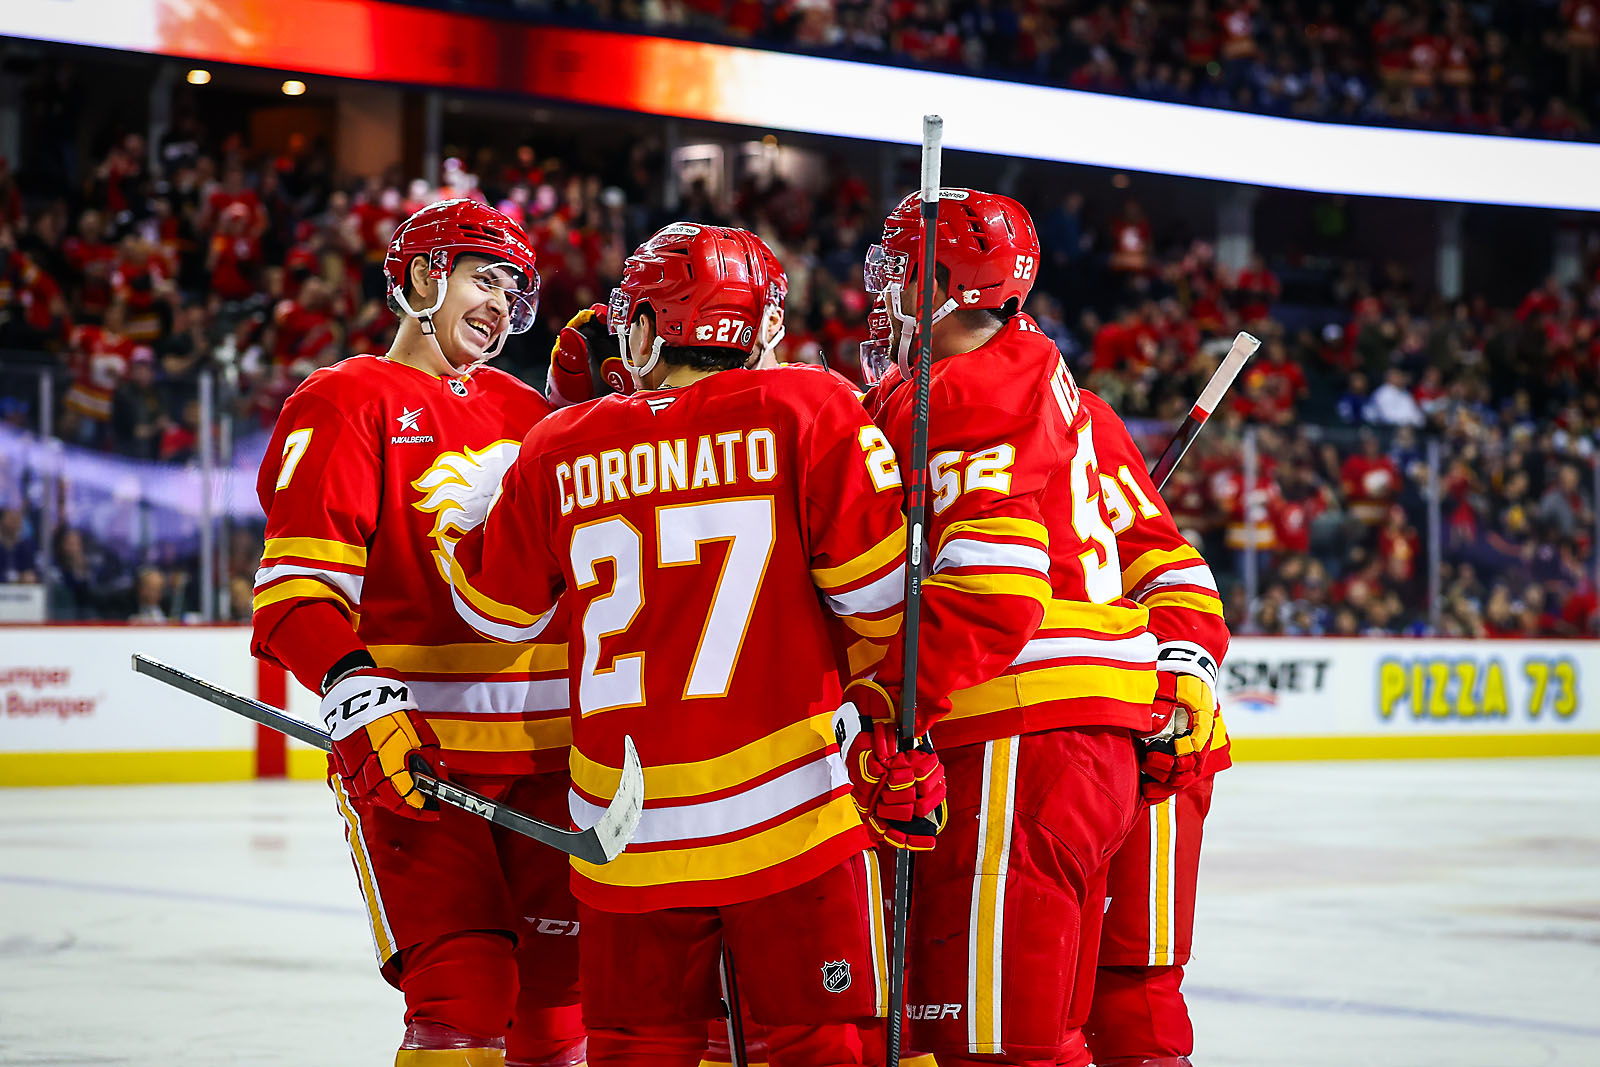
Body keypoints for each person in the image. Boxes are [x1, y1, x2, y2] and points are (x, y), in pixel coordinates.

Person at [446, 222, 912, 1067]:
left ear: (651, 329)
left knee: (636, 1048)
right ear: (761, 325)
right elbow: (882, 602)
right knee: (823, 1046)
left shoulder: (561, 442)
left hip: (626, 829)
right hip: (793, 812)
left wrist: (482, 499)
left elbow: (494, 611)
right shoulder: (811, 405)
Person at [250, 198, 582, 1067]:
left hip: (553, 760)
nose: (501, 304)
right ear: (423, 276)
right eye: (484, 277)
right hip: (419, 760)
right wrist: (357, 693)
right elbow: (295, 597)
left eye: (513, 286)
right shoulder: (344, 399)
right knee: (464, 991)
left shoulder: (531, 412)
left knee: (559, 1010)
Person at [854, 189, 1173, 1067]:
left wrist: (883, 702)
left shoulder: (962, 391)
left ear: (947, 287)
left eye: (901, 273)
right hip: (1086, 740)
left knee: (988, 1045)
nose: (885, 294)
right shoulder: (1039, 372)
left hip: (1019, 734)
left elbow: (994, 593)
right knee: (1045, 1034)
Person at [1077, 387, 1230, 1067]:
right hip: (1041, 738)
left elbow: (1168, 567)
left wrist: (1171, 689)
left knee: (1130, 987)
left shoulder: (1063, 410)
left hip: (1138, 731)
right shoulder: (896, 413)